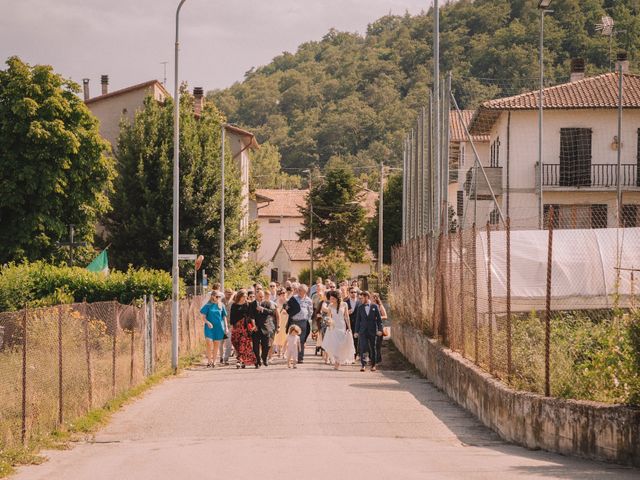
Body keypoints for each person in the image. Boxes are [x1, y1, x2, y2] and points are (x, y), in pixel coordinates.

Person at [321, 290, 355, 370]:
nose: (331, 300)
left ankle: (339, 361)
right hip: (333, 328)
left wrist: (349, 328)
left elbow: (346, 317)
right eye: (330, 298)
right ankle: (337, 362)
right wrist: (328, 322)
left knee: (341, 345)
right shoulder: (330, 306)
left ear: (337, 298)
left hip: (342, 327)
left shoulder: (344, 304)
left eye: (332, 298)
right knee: (334, 345)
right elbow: (329, 317)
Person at [354, 291, 383, 372]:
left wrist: (380, 329)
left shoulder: (375, 306)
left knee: (373, 348)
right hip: (362, 331)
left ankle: (373, 365)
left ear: (366, 297)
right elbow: (358, 321)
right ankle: (363, 365)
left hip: (372, 331)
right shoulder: (360, 307)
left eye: (362, 298)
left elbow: (379, 320)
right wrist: (356, 331)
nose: (360, 300)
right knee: (363, 348)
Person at [285, 284, 314, 363]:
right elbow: (287, 307)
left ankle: (300, 358)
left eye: (300, 290)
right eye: (298, 289)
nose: (298, 291)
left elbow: (310, 311)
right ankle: (291, 357)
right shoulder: (293, 298)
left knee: (301, 340)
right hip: (294, 321)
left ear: (305, 292)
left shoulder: (309, 300)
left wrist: (307, 320)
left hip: (303, 322)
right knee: (292, 340)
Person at [249, 289, 276, 368]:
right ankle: (257, 361)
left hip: (265, 327)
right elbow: (251, 316)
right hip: (256, 328)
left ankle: (264, 358)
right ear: (256, 296)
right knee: (255, 346)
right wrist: (254, 326)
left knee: (266, 345)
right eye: (260, 296)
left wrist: (263, 309)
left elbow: (272, 312)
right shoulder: (252, 304)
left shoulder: (267, 303)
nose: (261, 298)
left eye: (262, 297)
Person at [199, 290, 227, 368]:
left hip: (219, 327)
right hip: (209, 327)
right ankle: (209, 361)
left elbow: (224, 317)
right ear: (212, 296)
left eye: (219, 297)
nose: (218, 298)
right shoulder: (207, 305)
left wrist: (226, 327)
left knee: (216, 344)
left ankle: (214, 361)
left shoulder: (221, 305)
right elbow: (203, 317)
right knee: (208, 342)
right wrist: (208, 322)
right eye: (217, 296)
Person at [229, 290, 256, 368]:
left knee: (243, 343)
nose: (244, 298)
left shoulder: (248, 304)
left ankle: (239, 360)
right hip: (236, 326)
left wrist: (253, 325)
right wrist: (231, 326)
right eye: (243, 296)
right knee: (235, 342)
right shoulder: (234, 305)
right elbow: (232, 316)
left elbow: (251, 316)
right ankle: (243, 359)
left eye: (245, 296)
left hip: (245, 327)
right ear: (239, 296)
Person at [372, 293, 388, 364]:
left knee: (378, 344)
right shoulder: (369, 306)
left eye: (371, 297)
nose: (370, 298)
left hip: (379, 327)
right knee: (372, 344)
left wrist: (377, 318)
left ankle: (378, 359)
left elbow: (385, 316)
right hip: (371, 327)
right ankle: (373, 358)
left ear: (375, 298)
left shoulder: (380, 306)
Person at [220, 288, 235, 365]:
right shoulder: (219, 301)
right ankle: (221, 357)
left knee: (229, 342)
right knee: (221, 342)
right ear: (224, 293)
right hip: (220, 324)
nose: (229, 294)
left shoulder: (233, 303)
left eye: (230, 293)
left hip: (229, 324)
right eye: (227, 293)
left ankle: (226, 358)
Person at [272, 288, 289, 356]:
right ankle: (279, 350)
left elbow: (291, 310)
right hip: (279, 320)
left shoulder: (288, 301)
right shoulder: (277, 302)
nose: (282, 295)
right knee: (278, 335)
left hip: (286, 320)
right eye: (281, 293)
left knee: (285, 336)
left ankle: (284, 352)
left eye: (284, 293)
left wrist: (287, 312)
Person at [345, 287, 361, 359]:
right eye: (352, 292)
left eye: (355, 292)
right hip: (348, 323)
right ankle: (348, 354)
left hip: (358, 323)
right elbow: (341, 313)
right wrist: (347, 313)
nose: (353, 293)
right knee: (348, 338)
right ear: (349, 293)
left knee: (356, 339)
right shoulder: (346, 302)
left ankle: (355, 354)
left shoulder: (360, 302)